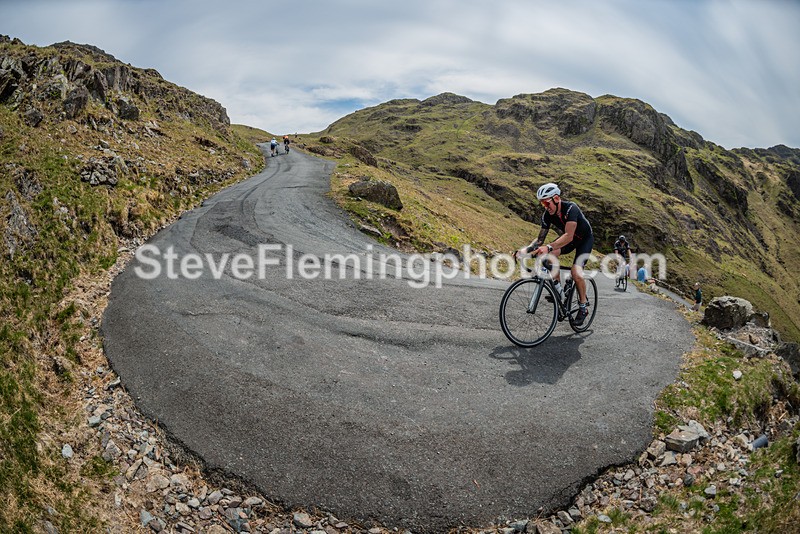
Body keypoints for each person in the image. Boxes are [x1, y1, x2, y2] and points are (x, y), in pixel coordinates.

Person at [514, 182, 594, 325]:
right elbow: (539, 240)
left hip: (584, 240)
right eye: (542, 204)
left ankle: (583, 307)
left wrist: (549, 247)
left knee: (576, 273)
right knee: (548, 257)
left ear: (556, 199)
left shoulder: (571, 209)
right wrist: (524, 251)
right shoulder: (547, 215)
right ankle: (559, 291)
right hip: (569, 240)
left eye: (547, 203)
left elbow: (569, 235)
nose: (545, 207)